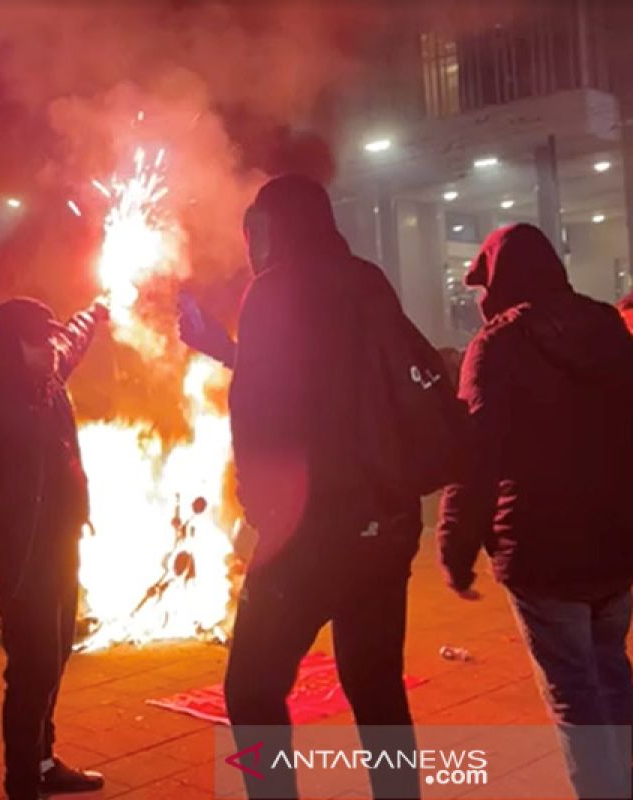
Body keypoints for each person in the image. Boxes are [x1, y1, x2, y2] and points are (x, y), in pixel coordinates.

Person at [204, 175, 421, 800]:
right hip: (385, 522)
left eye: (255, 230)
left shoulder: (273, 290)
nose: (250, 244)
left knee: (250, 689)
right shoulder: (366, 280)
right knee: (377, 685)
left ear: (277, 228)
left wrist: (260, 511)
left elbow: (260, 407)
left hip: (310, 531)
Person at [438, 223, 633, 800]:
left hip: (544, 549)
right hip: (617, 539)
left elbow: (474, 458)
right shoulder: (608, 326)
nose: (478, 299)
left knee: (575, 688)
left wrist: (455, 546)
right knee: (610, 669)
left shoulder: (495, 347)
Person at [0, 296, 108, 800]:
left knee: (54, 657)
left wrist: (95, 313)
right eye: (39, 341)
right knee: (31, 669)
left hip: (61, 543)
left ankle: (42, 761)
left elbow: (72, 338)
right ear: (14, 345)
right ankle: (22, 785)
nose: (51, 349)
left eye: (51, 339)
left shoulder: (49, 380)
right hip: (20, 555)